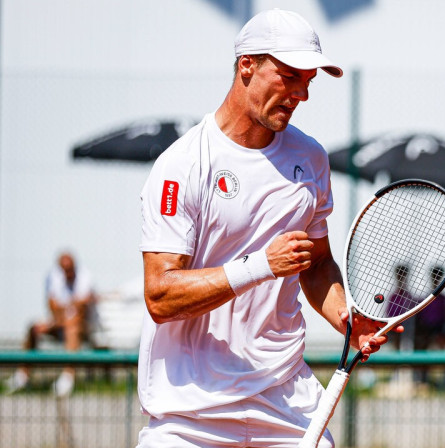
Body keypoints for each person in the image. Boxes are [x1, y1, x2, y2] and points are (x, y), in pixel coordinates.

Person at [135, 9, 397, 448]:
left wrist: (349, 320)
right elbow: (160, 295)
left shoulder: (311, 159)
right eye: (290, 76)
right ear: (246, 65)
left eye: (308, 81)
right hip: (190, 413)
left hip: (286, 406)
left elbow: (315, 266)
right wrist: (259, 266)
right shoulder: (181, 166)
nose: (301, 94)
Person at [4, 251, 96, 396]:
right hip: (59, 324)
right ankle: (23, 375)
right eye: (64, 269)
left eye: (70, 268)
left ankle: (68, 377)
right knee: (33, 328)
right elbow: (53, 306)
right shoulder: (54, 277)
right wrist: (58, 319)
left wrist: (61, 317)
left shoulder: (85, 277)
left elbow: (81, 313)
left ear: (74, 265)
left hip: (83, 327)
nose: (67, 272)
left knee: (72, 330)